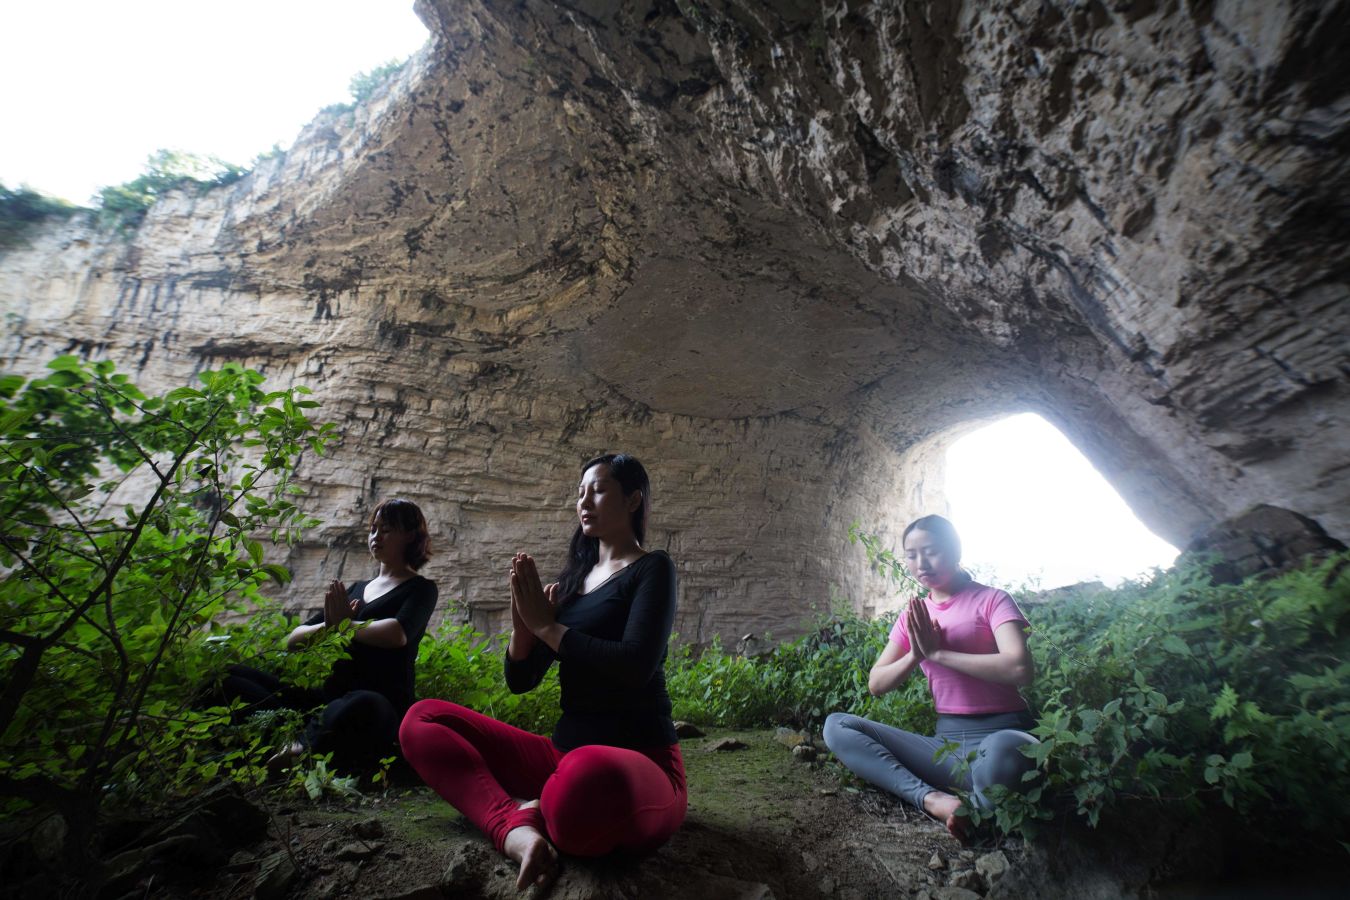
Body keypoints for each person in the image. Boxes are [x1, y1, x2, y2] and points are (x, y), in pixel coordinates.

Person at [400, 453, 685, 892]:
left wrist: (548, 627)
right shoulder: (575, 583)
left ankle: (534, 805)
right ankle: (515, 827)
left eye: (599, 489)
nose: (584, 501)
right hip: (562, 757)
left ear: (632, 500)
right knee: (421, 720)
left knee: (585, 778)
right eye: (579, 493)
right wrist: (524, 632)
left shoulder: (652, 569)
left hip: (640, 763)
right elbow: (521, 681)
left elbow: (635, 665)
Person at [823, 514, 1037, 841]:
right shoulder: (915, 616)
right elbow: (877, 683)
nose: (921, 562)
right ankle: (935, 800)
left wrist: (939, 655)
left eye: (931, 551)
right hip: (946, 749)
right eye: (911, 555)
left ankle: (978, 813)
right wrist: (915, 654)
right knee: (838, 725)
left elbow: (1020, 668)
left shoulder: (993, 599)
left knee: (1007, 748)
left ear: (955, 549)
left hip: (1002, 735)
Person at [221, 498, 437, 774]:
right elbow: (295, 640)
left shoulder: (421, 589)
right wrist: (330, 626)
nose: (376, 536)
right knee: (228, 678)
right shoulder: (356, 589)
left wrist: (347, 625)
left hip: (379, 703)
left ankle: (300, 748)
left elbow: (398, 633)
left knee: (366, 703)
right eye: (373, 529)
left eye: (387, 529)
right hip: (329, 699)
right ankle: (265, 749)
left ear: (409, 535)